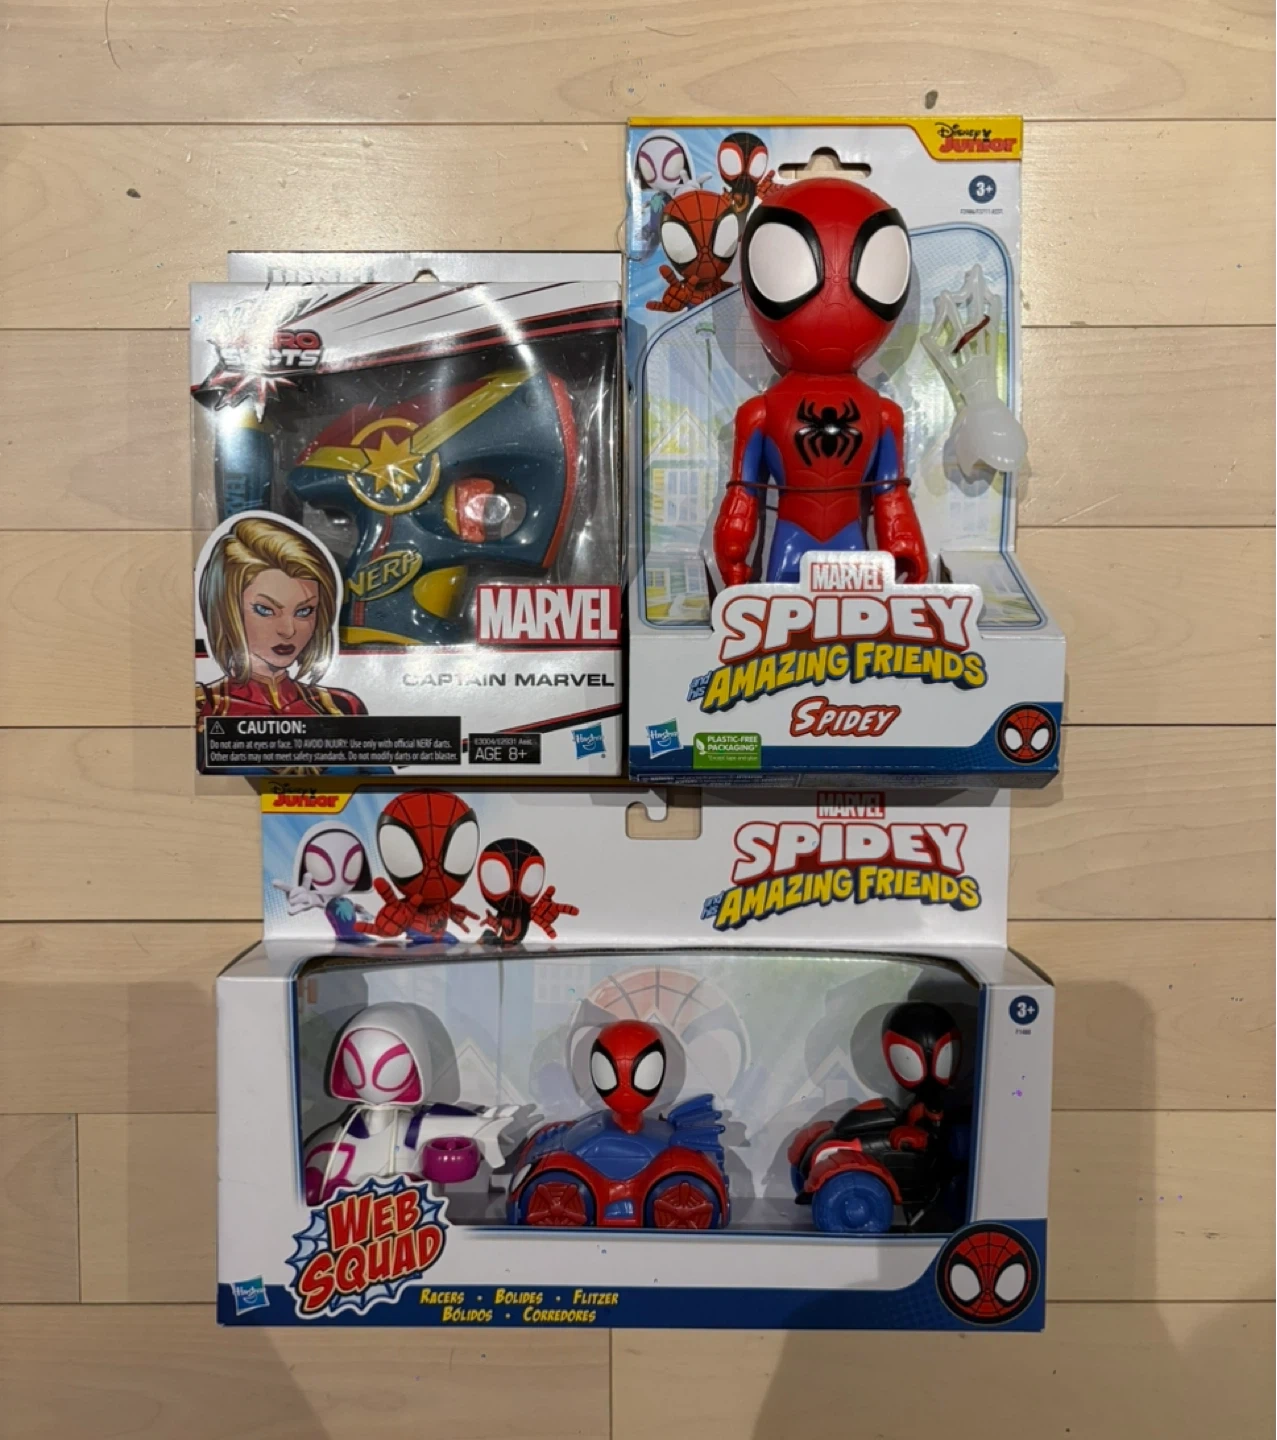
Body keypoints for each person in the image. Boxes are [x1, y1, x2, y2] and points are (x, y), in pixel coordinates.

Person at [196, 515, 365, 720]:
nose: (288, 631)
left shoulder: (340, 706)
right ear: (227, 609)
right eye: (265, 610)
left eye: (304, 611)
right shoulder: (204, 707)